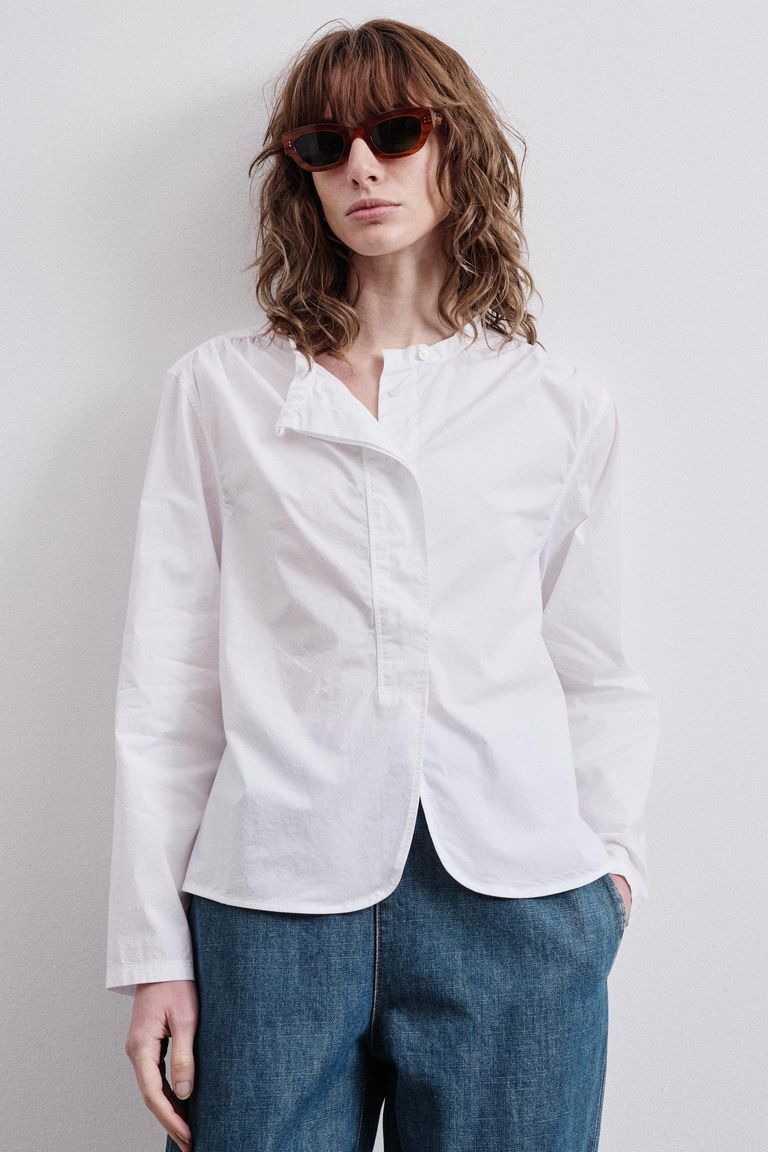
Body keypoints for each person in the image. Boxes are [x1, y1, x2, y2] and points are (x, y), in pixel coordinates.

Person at [106, 18, 661, 1152]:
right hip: (270, 908)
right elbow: (166, 692)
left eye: (397, 133)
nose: (362, 167)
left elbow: (598, 670)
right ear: (302, 178)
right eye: (325, 145)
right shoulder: (220, 395)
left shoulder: (556, 406)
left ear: (457, 147)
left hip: (518, 907)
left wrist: (607, 876)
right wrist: (155, 950)